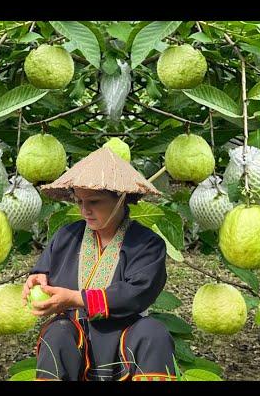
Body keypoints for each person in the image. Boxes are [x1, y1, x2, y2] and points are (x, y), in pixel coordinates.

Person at [22, 147, 176, 381]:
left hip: (125, 335)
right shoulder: (66, 236)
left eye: (94, 201)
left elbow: (136, 293)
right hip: (73, 337)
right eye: (79, 201)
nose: (85, 210)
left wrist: (75, 298)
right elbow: (42, 271)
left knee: (154, 332)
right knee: (57, 332)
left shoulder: (147, 244)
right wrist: (36, 280)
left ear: (121, 198)